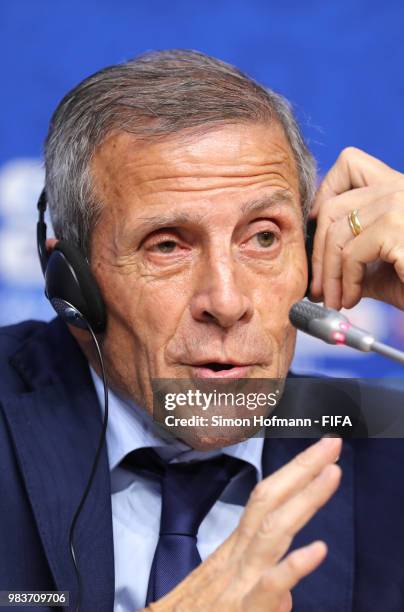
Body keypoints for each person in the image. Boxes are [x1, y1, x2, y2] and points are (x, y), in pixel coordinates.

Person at [1, 49, 404, 612]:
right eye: (166, 244)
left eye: (263, 237)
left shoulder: (387, 441)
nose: (227, 301)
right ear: (72, 286)